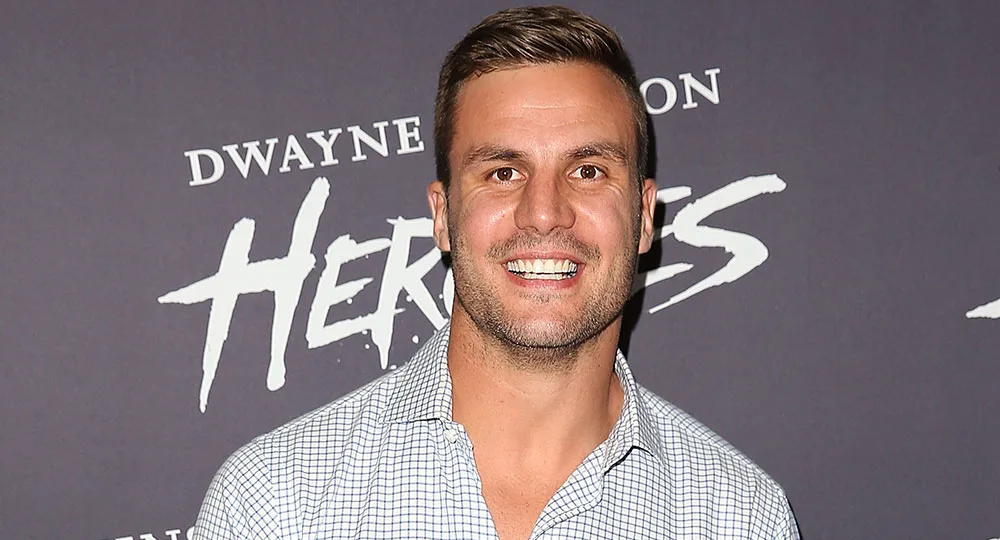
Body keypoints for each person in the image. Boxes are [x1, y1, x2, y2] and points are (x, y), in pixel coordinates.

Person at [193, 6, 800, 539]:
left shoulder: (738, 518)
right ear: (442, 216)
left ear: (643, 218)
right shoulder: (275, 507)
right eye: (502, 172)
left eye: (588, 171)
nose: (545, 213)